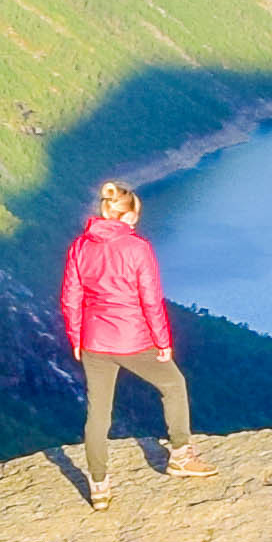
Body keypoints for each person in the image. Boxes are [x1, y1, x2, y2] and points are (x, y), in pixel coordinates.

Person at [60, 178, 200, 494]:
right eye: (135, 216)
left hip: (94, 341)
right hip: (133, 339)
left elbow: (70, 298)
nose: (137, 221)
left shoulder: (80, 247)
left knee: (98, 414)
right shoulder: (138, 248)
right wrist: (163, 342)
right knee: (173, 384)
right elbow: (151, 300)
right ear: (127, 217)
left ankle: (98, 486)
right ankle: (180, 456)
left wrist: (76, 338)